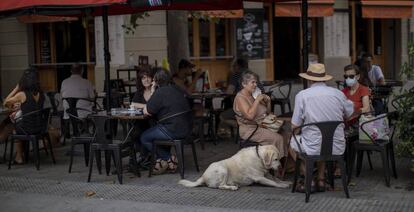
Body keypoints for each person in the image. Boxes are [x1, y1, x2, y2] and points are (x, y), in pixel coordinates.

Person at [290, 63, 354, 192]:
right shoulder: (338, 94)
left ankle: (310, 180)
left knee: (292, 141)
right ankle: (321, 179)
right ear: (324, 78)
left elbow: (295, 125)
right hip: (336, 146)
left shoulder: (302, 95)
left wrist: (297, 131)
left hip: (312, 146)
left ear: (309, 79)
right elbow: (350, 113)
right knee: (324, 142)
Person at [140, 68, 192, 174]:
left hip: (172, 130)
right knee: (155, 130)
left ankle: (168, 158)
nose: (152, 82)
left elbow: (146, 111)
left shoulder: (160, 92)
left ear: (157, 81)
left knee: (144, 137)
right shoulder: (177, 88)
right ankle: (163, 162)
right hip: (187, 129)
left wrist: (153, 90)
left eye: (153, 80)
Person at [233, 70, 286, 157]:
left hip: (263, 125)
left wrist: (268, 102)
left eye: (256, 82)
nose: (255, 85)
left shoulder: (254, 94)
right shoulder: (240, 98)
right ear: (244, 84)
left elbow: (268, 112)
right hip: (250, 129)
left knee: (284, 134)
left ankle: (286, 163)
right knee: (278, 138)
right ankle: (277, 165)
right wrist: (257, 100)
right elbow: (250, 116)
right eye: (252, 82)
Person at [3, 68, 45, 164]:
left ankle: (19, 157)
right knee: (19, 124)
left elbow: (6, 102)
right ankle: (22, 155)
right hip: (40, 128)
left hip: (29, 129)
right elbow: (32, 107)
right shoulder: (41, 93)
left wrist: (16, 88)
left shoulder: (22, 94)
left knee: (14, 128)